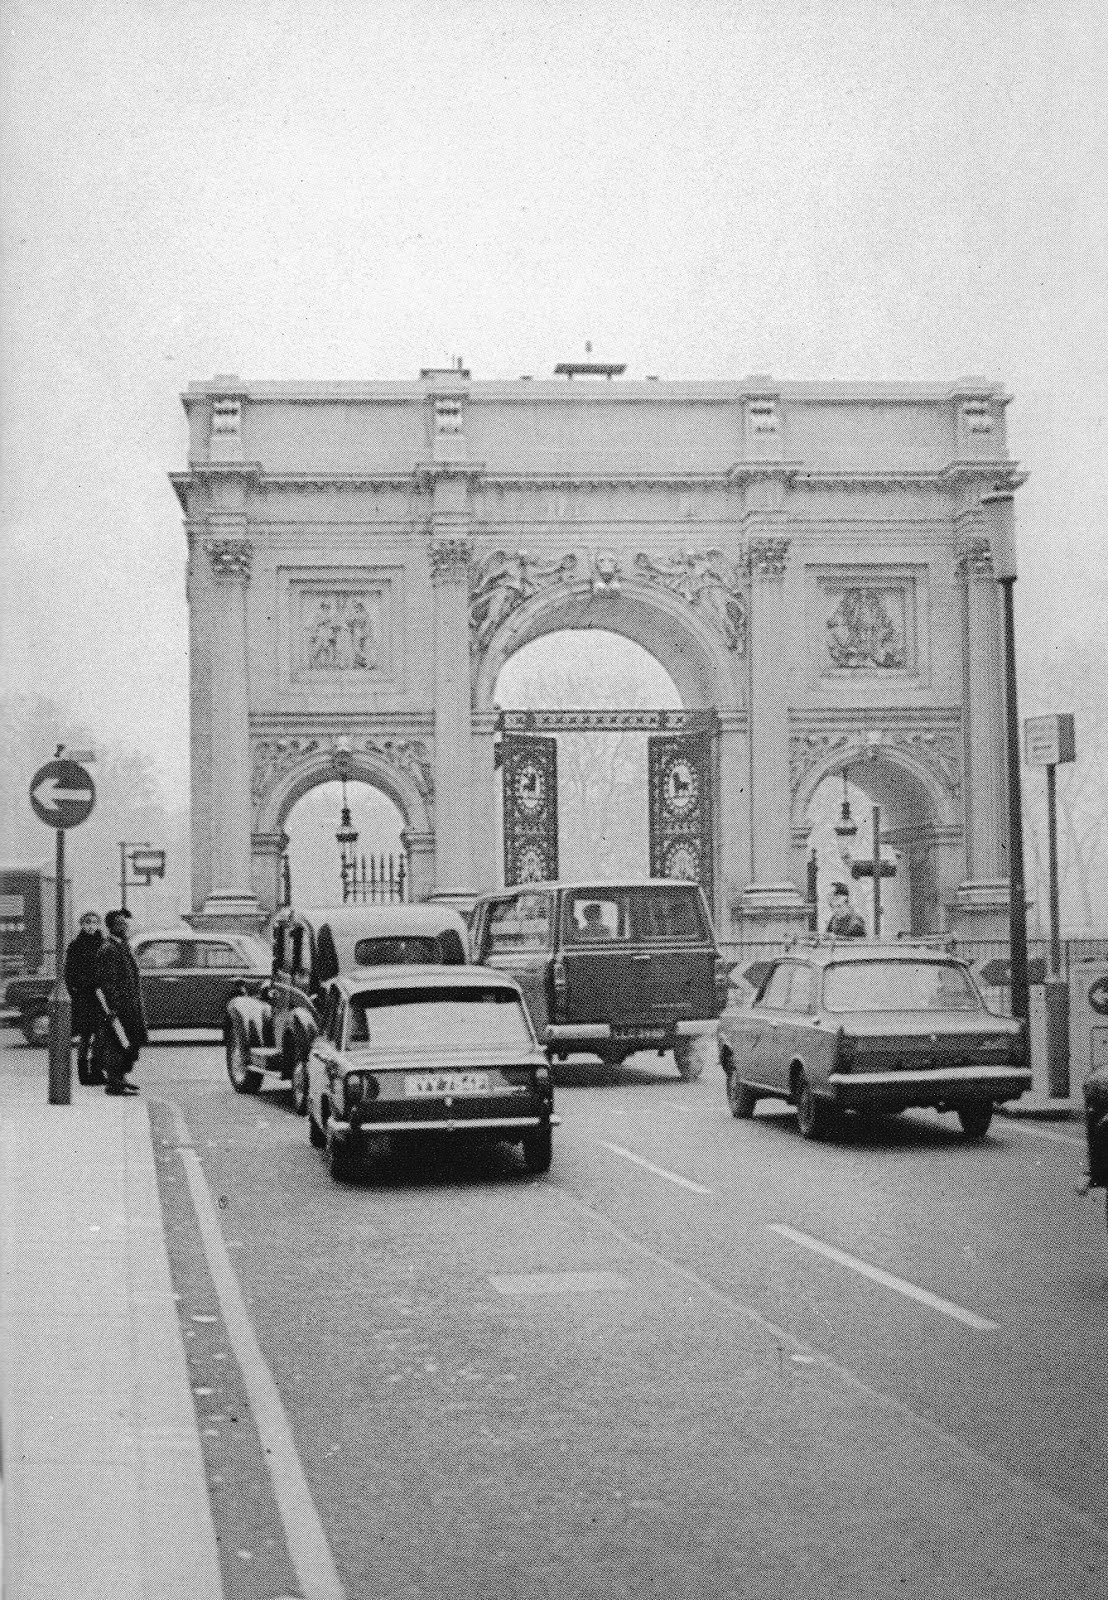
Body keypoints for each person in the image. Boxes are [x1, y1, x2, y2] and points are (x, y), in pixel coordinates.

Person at [94, 908, 148, 1095]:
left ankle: (121, 1077)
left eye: (124, 922)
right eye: (119, 922)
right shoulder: (108, 949)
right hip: (119, 1007)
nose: (124, 925)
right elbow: (108, 982)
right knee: (116, 1043)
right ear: (111, 926)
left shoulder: (123, 945)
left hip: (129, 1005)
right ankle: (114, 1083)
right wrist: (114, 1008)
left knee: (131, 1042)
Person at [64, 911, 104, 1085]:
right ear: (82, 924)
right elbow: (69, 973)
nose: (91, 926)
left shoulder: (103, 944)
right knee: (85, 1036)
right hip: (84, 997)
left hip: (100, 996)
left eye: (94, 922)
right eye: (87, 922)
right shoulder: (75, 945)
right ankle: (83, 1074)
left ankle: (97, 1071)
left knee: (101, 1035)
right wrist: (77, 992)